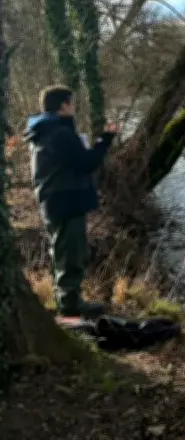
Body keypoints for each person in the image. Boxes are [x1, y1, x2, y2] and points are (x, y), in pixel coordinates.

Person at [25, 85, 118, 317]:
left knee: (64, 252)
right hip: (65, 200)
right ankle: (70, 307)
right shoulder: (59, 133)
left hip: (55, 199)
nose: (75, 107)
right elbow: (87, 162)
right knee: (70, 254)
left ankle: (68, 301)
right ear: (63, 105)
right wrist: (106, 139)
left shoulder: (45, 131)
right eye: (72, 102)